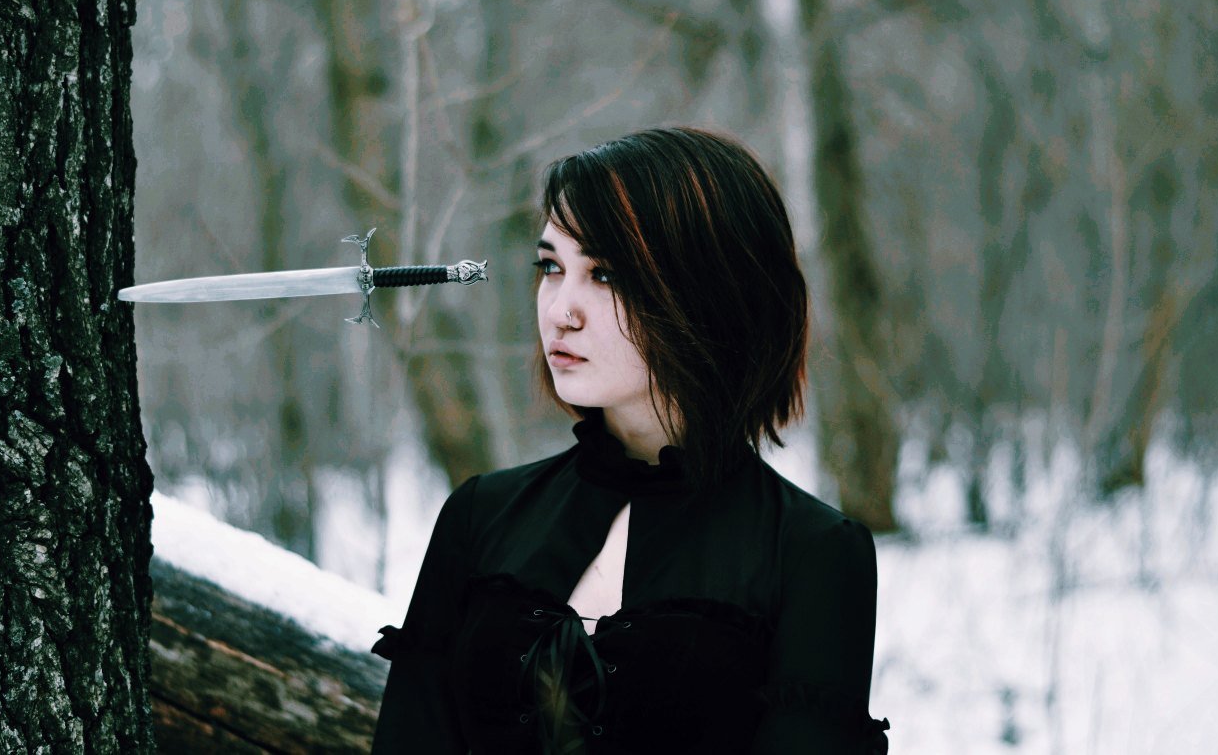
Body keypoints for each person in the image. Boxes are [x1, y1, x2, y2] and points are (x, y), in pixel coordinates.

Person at [370, 127, 890, 754]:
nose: (560, 310)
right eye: (551, 267)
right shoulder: (481, 516)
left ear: (710, 292)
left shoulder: (812, 555)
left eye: (606, 274)